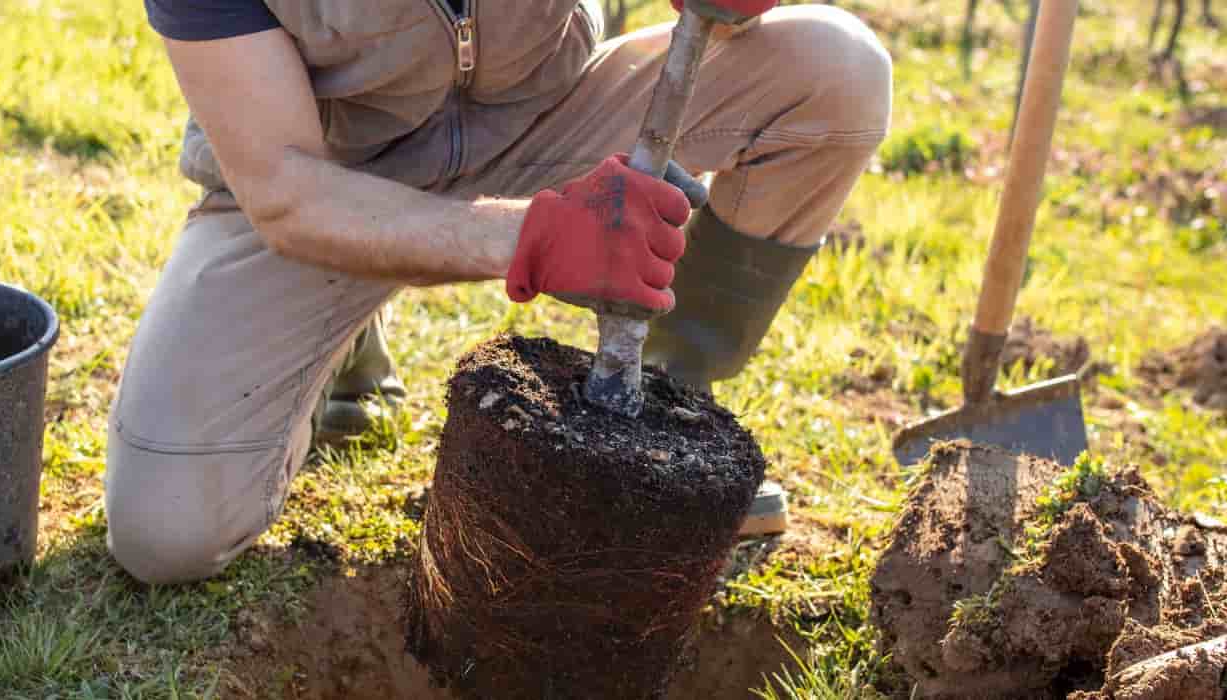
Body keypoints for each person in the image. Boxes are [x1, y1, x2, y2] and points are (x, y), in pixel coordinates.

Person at [108, 0, 892, 583]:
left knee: (834, 69)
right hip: (326, 183)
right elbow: (284, 189)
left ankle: (658, 424)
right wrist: (533, 238)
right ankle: (336, 336)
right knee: (168, 533)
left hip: (544, 119)